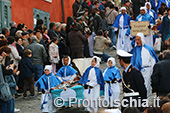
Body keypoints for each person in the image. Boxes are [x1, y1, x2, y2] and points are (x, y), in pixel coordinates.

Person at [130, 33, 159, 99]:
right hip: (137, 71)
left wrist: (152, 71)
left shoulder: (149, 49)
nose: (137, 41)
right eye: (136, 40)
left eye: (138, 40)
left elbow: (153, 60)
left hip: (146, 70)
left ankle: (146, 100)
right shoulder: (134, 50)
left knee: (146, 85)